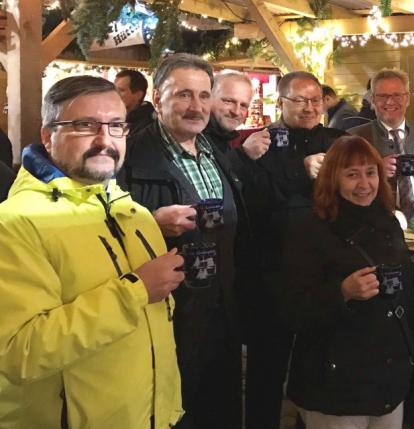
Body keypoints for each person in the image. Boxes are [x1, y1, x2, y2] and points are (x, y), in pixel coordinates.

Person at [0, 75, 183, 427]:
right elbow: (18, 353)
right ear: (47, 136)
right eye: (85, 125)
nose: (105, 140)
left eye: (116, 126)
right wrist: (135, 291)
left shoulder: (133, 213)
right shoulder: (16, 223)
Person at [118, 53, 243, 429]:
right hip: (167, 317)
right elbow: (104, 233)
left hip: (221, 311)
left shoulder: (215, 152)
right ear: (158, 99)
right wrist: (151, 223)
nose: (196, 106)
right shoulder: (128, 159)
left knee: (219, 410)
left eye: (204, 96)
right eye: (184, 94)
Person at [281, 135, 414, 429]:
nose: (364, 184)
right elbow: (291, 310)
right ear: (333, 179)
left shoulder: (389, 222)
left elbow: (407, 295)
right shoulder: (311, 230)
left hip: (388, 381)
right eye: (352, 174)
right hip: (335, 387)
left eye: (370, 172)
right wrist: (342, 292)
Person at [246, 70, 347, 429]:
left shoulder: (338, 141)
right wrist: (299, 170)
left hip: (323, 272)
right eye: (300, 100)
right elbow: (253, 199)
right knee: (267, 365)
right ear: (280, 102)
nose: (309, 107)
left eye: (315, 100)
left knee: (319, 359)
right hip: (272, 273)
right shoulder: (260, 143)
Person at [349, 69, 414, 220]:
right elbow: (342, 190)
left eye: (396, 95)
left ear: (407, 99)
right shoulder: (353, 139)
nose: (389, 102)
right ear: (373, 100)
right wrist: (375, 171)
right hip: (377, 227)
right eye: (382, 96)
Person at [115, 69, 156, 135]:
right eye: (114, 90)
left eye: (121, 90)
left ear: (138, 95)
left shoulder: (148, 126)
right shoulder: (116, 119)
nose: (115, 94)